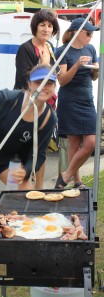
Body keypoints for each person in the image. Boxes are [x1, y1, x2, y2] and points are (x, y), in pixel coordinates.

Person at [0, 64, 57, 200]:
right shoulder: (7, 98)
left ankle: (11, 219)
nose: (44, 87)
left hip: (7, 160)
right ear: (29, 83)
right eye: (39, 82)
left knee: (27, 200)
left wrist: (25, 171)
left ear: (55, 86)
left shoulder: (48, 117)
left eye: (49, 83)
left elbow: (39, 155)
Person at [13, 9, 60, 189]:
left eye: (50, 26)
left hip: (45, 106)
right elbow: (23, 79)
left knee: (41, 149)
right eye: (42, 25)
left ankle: (39, 189)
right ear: (35, 27)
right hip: (26, 105)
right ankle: (15, 189)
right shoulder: (25, 49)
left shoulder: (49, 47)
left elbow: (53, 74)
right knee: (19, 148)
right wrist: (44, 65)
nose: (46, 29)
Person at [54, 18, 99, 189]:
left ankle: (65, 175)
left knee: (91, 142)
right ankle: (77, 181)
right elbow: (62, 80)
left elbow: (93, 77)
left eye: (92, 32)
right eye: (88, 32)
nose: (91, 36)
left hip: (86, 99)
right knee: (73, 143)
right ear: (76, 32)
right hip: (69, 99)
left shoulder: (91, 48)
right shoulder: (62, 51)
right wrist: (77, 65)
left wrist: (95, 68)